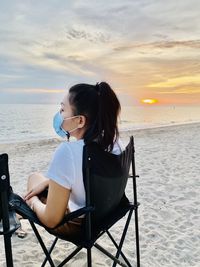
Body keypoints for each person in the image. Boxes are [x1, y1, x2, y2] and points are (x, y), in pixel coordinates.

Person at [24, 82, 122, 236]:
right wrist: (49, 182)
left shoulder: (68, 152)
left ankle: (22, 209)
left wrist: (33, 202)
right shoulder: (114, 142)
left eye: (63, 109)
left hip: (78, 223)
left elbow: (51, 220)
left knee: (32, 179)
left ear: (80, 121)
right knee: (39, 179)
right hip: (104, 215)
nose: (59, 114)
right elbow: (91, 174)